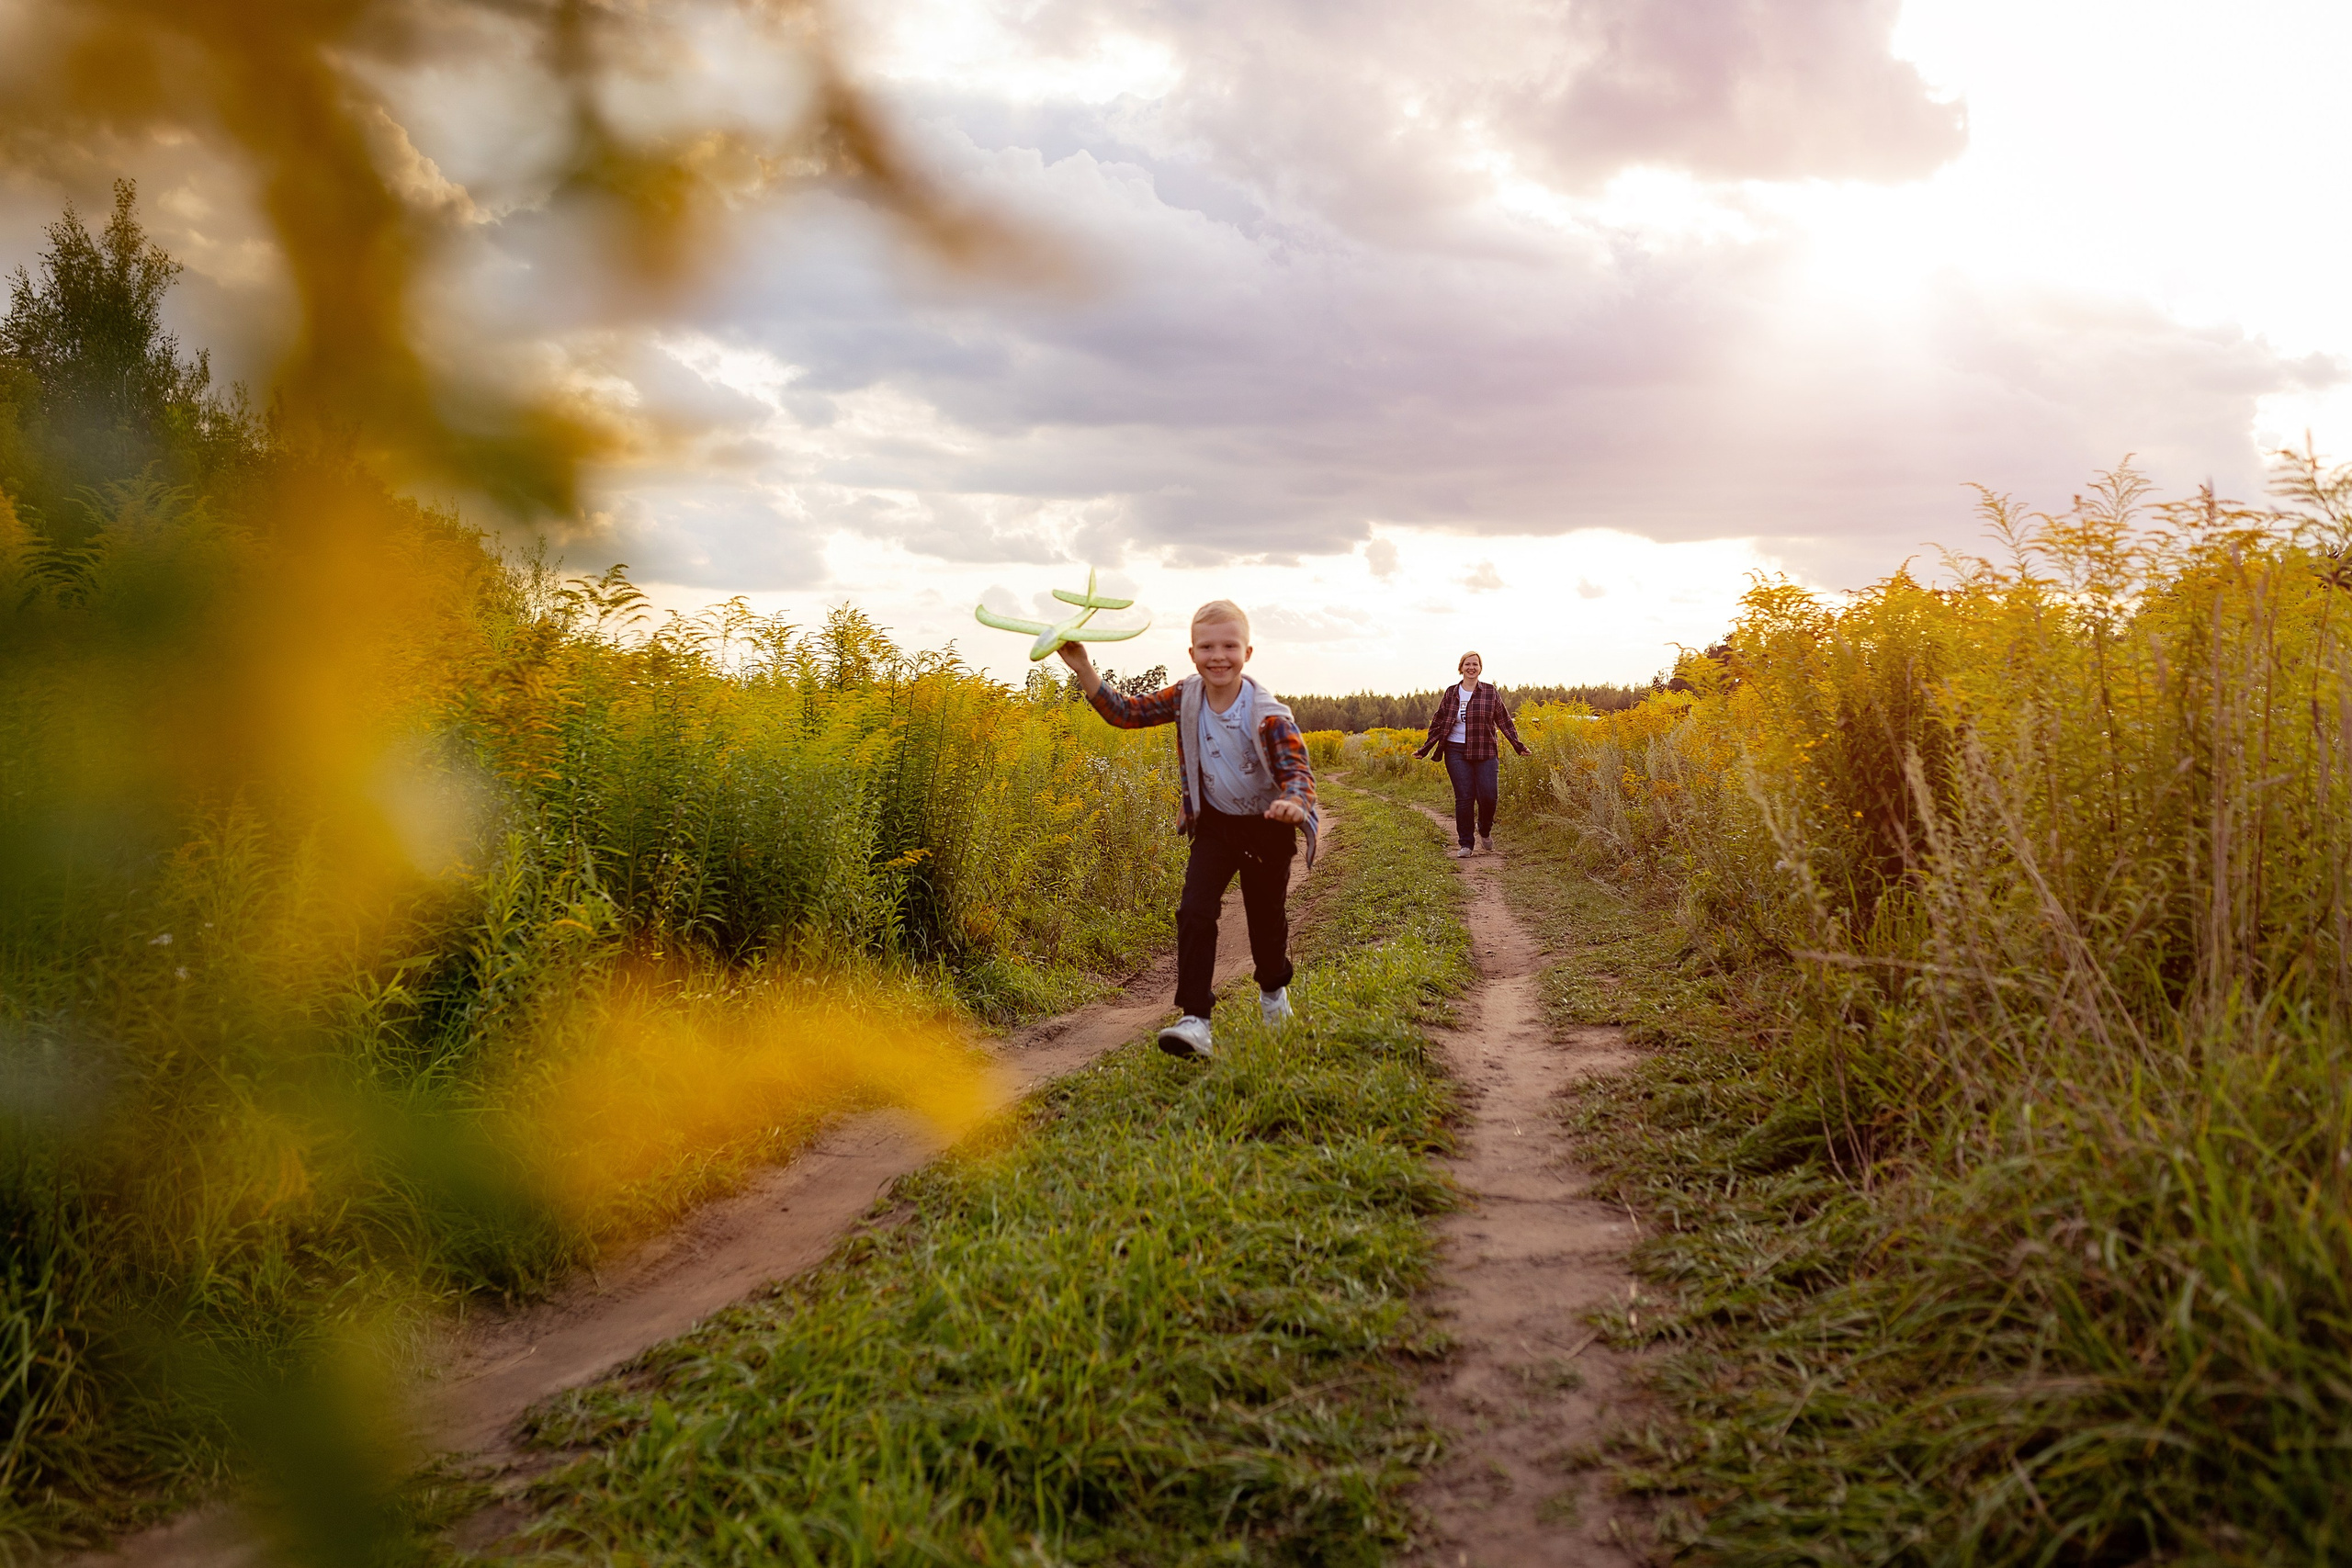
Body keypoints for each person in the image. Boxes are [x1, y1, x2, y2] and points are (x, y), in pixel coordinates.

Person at [1057, 601, 1319, 1060]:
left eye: (1229, 646)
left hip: (1268, 827)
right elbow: (1126, 713)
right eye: (1207, 647)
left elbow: (1297, 771)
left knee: (1265, 925)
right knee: (1195, 912)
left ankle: (1274, 994)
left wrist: (1294, 803)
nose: (1219, 656)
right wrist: (1082, 666)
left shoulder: (1267, 712)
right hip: (1215, 825)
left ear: (1248, 652)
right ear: (1193, 653)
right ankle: (1195, 1019)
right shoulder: (1186, 696)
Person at [1414, 650, 1529, 857]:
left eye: (1475, 664)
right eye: (1467, 664)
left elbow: (1504, 720)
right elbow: (1439, 722)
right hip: (1456, 750)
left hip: (1485, 750)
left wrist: (1518, 745)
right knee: (1464, 798)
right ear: (1461, 668)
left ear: (1480, 668)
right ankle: (1466, 843)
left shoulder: (1490, 692)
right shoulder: (1451, 693)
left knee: (1489, 796)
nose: (1471, 668)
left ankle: (1484, 829)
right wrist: (1425, 749)